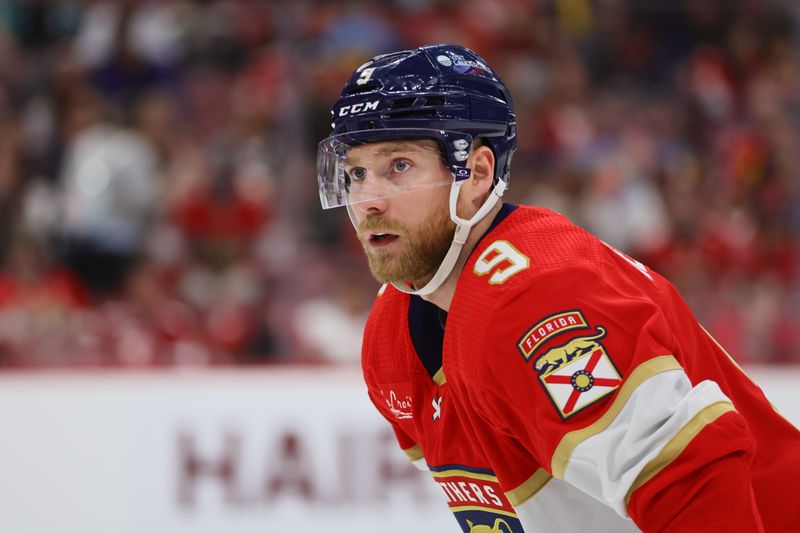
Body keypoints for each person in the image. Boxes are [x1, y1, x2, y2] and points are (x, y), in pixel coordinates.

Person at [316, 44, 800, 533]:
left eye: (398, 166)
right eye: (357, 173)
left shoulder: (538, 297)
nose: (369, 200)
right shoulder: (392, 334)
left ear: (479, 173)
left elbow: (696, 487)